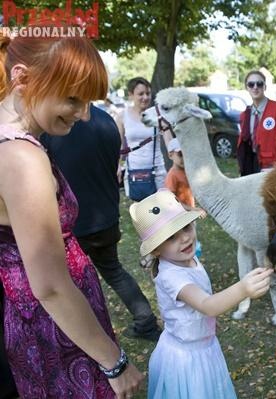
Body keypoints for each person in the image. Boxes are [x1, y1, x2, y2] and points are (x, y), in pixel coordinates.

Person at [0, 34, 142, 398]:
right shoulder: (21, 158)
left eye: (88, 101)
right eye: (73, 99)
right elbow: (49, 285)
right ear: (23, 77)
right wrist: (114, 362)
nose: (84, 114)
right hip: (54, 333)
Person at [129, 189, 273, 398]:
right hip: (187, 360)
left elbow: (202, 306)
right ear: (156, 250)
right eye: (171, 237)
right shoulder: (172, 277)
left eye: (186, 227)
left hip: (204, 346)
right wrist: (243, 289)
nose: (185, 238)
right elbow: (207, 304)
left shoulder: (188, 259)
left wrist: (207, 321)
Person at [41, 104, 162, 342]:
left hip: (74, 222)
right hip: (105, 216)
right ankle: (146, 322)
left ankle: (84, 337)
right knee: (113, 271)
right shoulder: (106, 120)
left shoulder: (56, 123)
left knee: (70, 283)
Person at [236, 70, 276, 176]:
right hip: (251, 170)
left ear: (265, 87)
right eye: (251, 84)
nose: (255, 87)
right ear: (247, 88)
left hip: (275, 170)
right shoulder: (245, 115)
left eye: (259, 84)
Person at [116, 77, 167, 199]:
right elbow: (118, 145)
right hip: (134, 172)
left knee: (161, 210)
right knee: (140, 213)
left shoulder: (158, 114)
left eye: (148, 93)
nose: (145, 97)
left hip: (157, 171)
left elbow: (168, 138)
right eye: (141, 94)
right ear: (131, 95)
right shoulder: (123, 116)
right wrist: (117, 166)